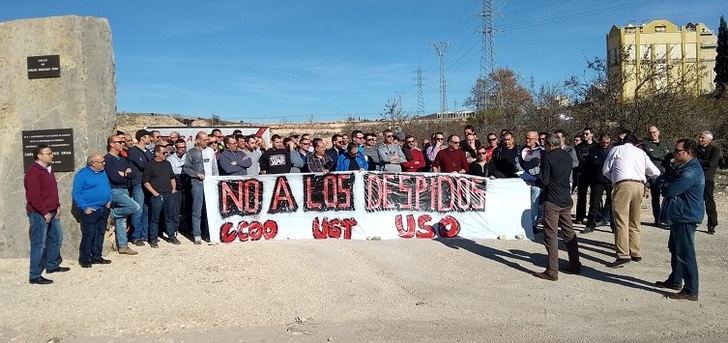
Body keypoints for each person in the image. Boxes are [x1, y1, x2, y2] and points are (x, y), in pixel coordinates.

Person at [602, 133, 661, 268]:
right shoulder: (640, 152)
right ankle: (635, 251)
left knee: (621, 220)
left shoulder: (616, 150)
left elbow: (605, 169)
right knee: (635, 219)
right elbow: (655, 171)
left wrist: (614, 178)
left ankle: (623, 254)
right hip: (640, 185)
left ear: (623, 141)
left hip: (623, 184)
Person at [656, 139, 704, 301]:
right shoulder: (683, 167)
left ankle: (691, 289)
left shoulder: (691, 171)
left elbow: (671, 190)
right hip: (679, 215)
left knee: (685, 253)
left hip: (686, 215)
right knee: (675, 248)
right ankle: (675, 280)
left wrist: (664, 184)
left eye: (678, 151)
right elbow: (665, 181)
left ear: (688, 153)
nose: (674, 154)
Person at [532, 134, 581, 281]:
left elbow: (545, 180)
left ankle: (552, 270)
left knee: (550, 235)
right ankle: (575, 263)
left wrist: (535, 179)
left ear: (548, 144)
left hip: (552, 199)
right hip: (566, 198)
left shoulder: (547, 157)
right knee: (569, 232)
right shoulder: (567, 156)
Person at [24, 145, 68, 284]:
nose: (52, 155)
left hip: (53, 211)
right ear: (39, 156)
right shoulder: (33, 173)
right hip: (39, 214)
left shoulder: (48, 170)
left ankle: (52, 265)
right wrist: (44, 212)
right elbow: (34, 196)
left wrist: (58, 205)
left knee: (56, 238)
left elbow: (51, 192)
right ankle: (35, 275)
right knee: (39, 244)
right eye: (48, 153)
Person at [72, 153, 112, 268]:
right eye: (101, 162)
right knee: (89, 234)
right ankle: (85, 259)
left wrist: (109, 199)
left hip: (103, 208)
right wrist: (85, 207)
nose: (104, 163)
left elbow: (107, 186)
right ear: (93, 164)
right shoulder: (82, 175)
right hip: (91, 210)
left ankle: (97, 256)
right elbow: (76, 193)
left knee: (100, 233)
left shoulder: (102, 172)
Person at [104, 135, 140, 256]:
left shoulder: (122, 159)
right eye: (119, 142)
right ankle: (111, 214)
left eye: (122, 141)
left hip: (125, 189)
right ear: (112, 144)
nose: (122, 144)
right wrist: (124, 175)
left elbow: (132, 174)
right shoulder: (108, 159)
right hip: (115, 190)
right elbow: (114, 178)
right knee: (135, 207)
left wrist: (124, 175)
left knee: (122, 219)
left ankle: (123, 245)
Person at [183, 131, 219, 244]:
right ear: (198, 140)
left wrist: (216, 181)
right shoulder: (190, 153)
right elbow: (186, 168)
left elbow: (214, 168)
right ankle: (197, 234)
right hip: (197, 184)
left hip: (210, 184)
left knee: (209, 210)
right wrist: (196, 174)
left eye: (207, 139)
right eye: (204, 140)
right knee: (197, 209)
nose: (207, 141)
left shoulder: (210, 151)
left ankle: (209, 233)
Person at [143, 145, 180, 247]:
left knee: (169, 217)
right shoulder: (150, 165)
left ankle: (171, 236)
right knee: (154, 218)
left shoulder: (167, 164)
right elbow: (146, 182)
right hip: (157, 195)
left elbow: (172, 177)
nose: (166, 155)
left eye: (166, 153)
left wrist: (173, 189)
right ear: (157, 153)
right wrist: (154, 193)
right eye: (164, 153)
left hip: (169, 194)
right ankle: (153, 239)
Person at [584, 133, 615, 233]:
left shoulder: (613, 150)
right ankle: (590, 224)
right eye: (603, 142)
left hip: (610, 180)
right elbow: (589, 165)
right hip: (597, 180)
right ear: (600, 141)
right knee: (594, 203)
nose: (605, 144)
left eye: (607, 142)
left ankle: (613, 224)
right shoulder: (593, 149)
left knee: (612, 203)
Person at [516, 131, 545, 233]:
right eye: (526, 138)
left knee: (534, 203)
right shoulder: (520, 149)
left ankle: (533, 224)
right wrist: (522, 173)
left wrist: (529, 173)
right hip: (522, 180)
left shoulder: (542, 151)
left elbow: (542, 166)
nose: (527, 140)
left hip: (536, 182)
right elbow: (517, 162)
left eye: (530, 138)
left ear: (536, 139)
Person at [643, 125, 673, 225]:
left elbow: (672, 154)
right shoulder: (646, 144)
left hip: (667, 173)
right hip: (654, 175)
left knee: (669, 196)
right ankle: (657, 218)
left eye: (655, 132)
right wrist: (665, 154)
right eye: (651, 133)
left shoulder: (666, 143)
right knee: (655, 198)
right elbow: (654, 155)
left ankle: (667, 217)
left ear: (658, 132)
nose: (653, 134)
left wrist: (664, 154)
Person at [127, 129, 152, 246]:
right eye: (148, 137)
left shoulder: (148, 151)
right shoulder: (133, 151)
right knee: (138, 209)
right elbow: (143, 164)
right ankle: (135, 236)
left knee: (146, 210)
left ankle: (144, 234)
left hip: (148, 183)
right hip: (138, 183)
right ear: (142, 138)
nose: (150, 139)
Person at [697, 131, 721, 235]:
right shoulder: (696, 149)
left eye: (702, 138)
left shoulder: (715, 150)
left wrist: (699, 162)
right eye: (700, 137)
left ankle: (712, 224)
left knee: (709, 201)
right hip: (696, 178)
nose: (700, 139)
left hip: (707, 179)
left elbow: (712, 163)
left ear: (709, 140)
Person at [167, 139, 188, 235]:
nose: (183, 149)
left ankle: (186, 227)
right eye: (180, 147)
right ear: (176, 148)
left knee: (187, 206)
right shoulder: (170, 159)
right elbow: (173, 172)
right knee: (176, 208)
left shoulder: (189, 157)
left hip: (187, 182)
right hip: (177, 183)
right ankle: (175, 228)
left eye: (184, 147)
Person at [574, 127, 595, 224]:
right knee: (581, 196)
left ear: (592, 135)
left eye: (587, 134)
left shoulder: (596, 146)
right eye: (584, 134)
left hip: (593, 173)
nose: (585, 136)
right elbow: (578, 159)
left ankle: (594, 217)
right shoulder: (578, 147)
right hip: (582, 173)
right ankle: (580, 216)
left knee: (595, 197)